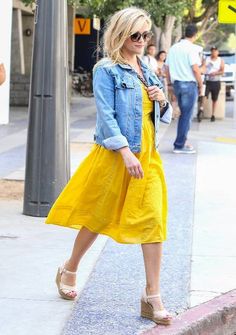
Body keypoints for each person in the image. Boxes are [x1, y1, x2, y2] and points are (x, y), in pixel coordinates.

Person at [46, 7, 173, 326]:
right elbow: (105, 115)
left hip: (148, 156)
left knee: (154, 219)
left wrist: (161, 99)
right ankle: (70, 267)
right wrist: (125, 152)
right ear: (120, 34)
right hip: (116, 155)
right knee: (99, 216)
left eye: (146, 34)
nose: (143, 40)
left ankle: (152, 294)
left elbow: (164, 112)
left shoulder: (147, 65)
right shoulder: (107, 69)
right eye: (136, 35)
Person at [166, 24, 203, 154]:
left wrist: (169, 84)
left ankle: (183, 141)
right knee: (186, 116)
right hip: (189, 84)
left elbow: (167, 68)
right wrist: (200, 84)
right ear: (195, 35)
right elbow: (195, 69)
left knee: (184, 115)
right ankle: (179, 145)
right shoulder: (192, 49)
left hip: (177, 84)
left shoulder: (173, 48)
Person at [204, 46, 224, 122]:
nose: (214, 52)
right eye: (212, 51)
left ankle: (213, 114)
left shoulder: (220, 60)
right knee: (204, 96)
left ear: (217, 52)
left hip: (216, 81)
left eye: (215, 51)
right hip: (208, 81)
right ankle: (201, 109)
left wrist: (215, 73)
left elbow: (222, 71)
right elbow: (203, 68)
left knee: (214, 99)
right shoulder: (207, 59)